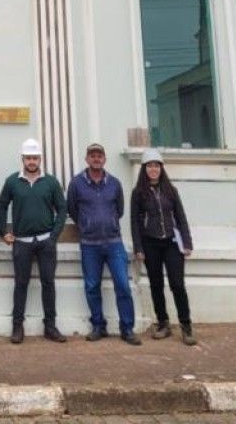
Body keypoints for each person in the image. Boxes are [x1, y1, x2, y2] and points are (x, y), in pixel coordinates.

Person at [67, 143, 141, 345]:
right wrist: (87, 224)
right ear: (87, 159)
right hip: (89, 244)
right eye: (92, 155)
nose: (96, 158)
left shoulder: (114, 184)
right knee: (92, 286)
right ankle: (98, 326)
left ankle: (127, 328)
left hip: (114, 243)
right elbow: (72, 209)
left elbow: (120, 210)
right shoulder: (76, 184)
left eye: (99, 155)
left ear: (104, 159)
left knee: (123, 286)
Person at [0, 138, 68, 344]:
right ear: (22, 159)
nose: (32, 161)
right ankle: (17, 327)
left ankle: (50, 326)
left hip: (46, 241)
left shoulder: (51, 182)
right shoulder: (12, 181)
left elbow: (62, 209)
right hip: (21, 242)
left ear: (40, 159)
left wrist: (54, 236)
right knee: (21, 284)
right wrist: (3, 232)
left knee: (48, 283)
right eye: (28, 158)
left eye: (35, 157)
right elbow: (1, 207)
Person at [130, 148, 196, 346]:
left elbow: (181, 217)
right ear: (144, 169)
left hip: (172, 243)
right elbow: (134, 221)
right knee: (156, 285)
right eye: (150, 166)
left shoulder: (170, 190)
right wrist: (138, 247)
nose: (153, 169)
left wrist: (187, 241)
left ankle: (186, 326)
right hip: (150, 243)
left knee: (177, 285)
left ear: (161, 168)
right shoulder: (138, 193)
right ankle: (163, 323)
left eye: (156, 165)